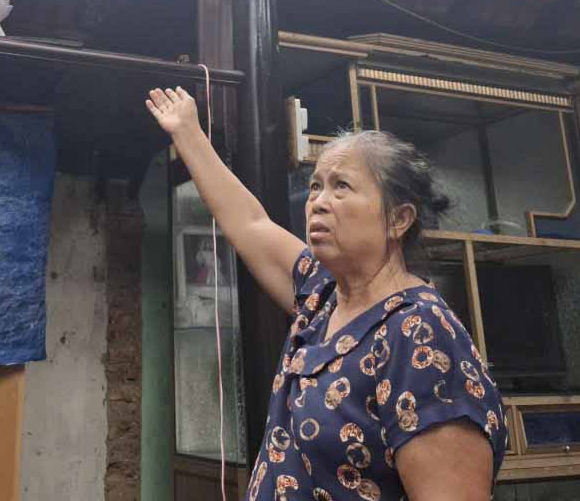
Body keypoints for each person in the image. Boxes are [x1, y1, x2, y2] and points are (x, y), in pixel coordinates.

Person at [146, 87, 506, 501]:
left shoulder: (418, 333)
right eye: (315, 186)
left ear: (398, 219)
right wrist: (188, 132)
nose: (317, 202)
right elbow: (249, 224)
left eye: (341, 187)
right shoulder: (321, 296)